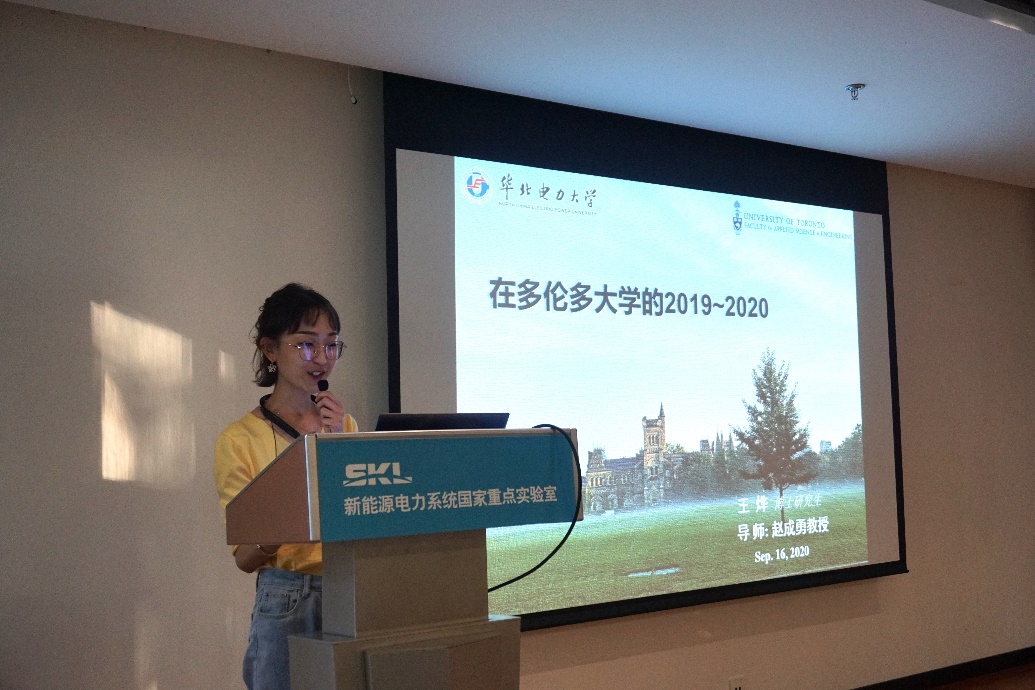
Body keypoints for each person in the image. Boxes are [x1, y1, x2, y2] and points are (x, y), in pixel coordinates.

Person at [213, 283, 357, 690]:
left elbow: (354, 514)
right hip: (286, 594)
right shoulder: (238, 440)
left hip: (349, 588)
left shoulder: (344, 425)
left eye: (331, 345)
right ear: (270, 350)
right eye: (307, 344)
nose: (322, 358)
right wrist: (291, 498)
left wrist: (337, 444)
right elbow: (244, 558)